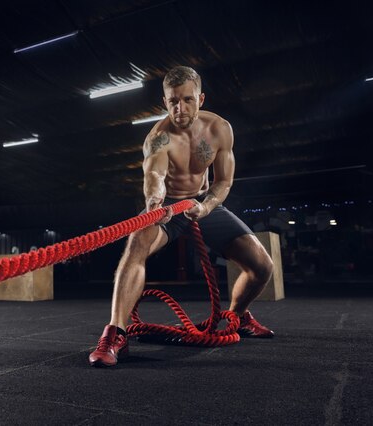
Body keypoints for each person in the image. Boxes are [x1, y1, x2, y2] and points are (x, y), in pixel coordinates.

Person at [89, 66, 275, 368]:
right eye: (173, 101)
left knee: (262, 266)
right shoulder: (159, 138)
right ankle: (115, 334)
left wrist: (206, 207)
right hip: (168, 208)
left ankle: (238, 317)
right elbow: (155, 175)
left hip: (204, 204)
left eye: (187, 100)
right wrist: (154, 202)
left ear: (200, 98)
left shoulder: (219, 129)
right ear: (165, 102)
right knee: (136, 246)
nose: (180, 108)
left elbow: (223, 182)